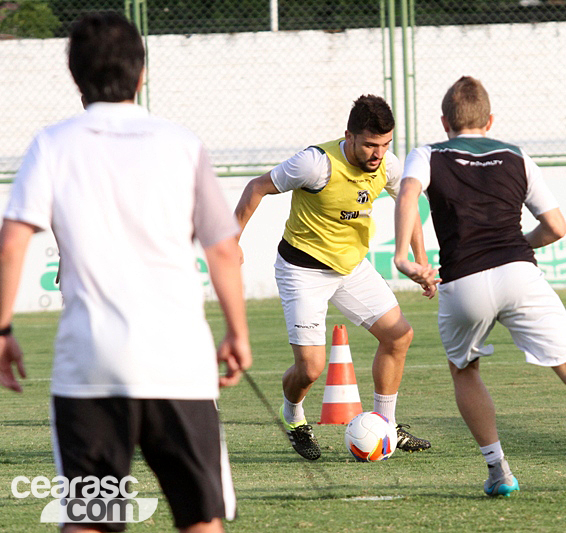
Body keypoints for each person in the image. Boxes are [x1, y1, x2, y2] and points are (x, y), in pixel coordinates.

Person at [0, 12, 251, 533]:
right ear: (142, 73)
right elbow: (224, 249)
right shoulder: (182, 144)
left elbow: (11, 246)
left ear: (75, 77)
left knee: (91, 520)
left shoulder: (53, 144)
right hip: (178, 362)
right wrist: (237, 332)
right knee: (200, 519)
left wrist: (2, 330)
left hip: (90, 364)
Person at [394, 76, 566, 502]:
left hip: (463, 280)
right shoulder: (516, 155)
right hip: (519, 273)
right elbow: (557, 227)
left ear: (444, 120)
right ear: (489, 120)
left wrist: (403, 256)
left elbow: (408, 193)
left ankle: (498, 470)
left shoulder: (427, 154)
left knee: (464, 370)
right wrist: (515, 246)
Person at [234, 95, 433, 460]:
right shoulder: (315, 164)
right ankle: (293, 418)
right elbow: (256, 187)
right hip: (302, 270)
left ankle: (386, 424)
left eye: (385, 145)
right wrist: (231, 240)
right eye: (371, 145)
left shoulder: (386, 166)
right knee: (310, 368)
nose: (378, 154)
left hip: (351, 268)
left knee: (399, 336)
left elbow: (409, 206)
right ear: (350, 136)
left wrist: (420, 262)